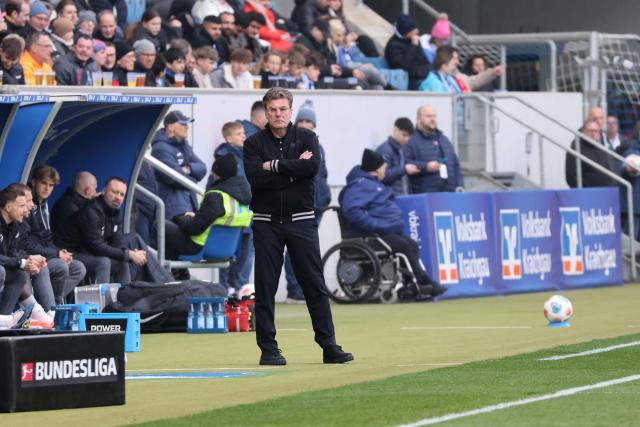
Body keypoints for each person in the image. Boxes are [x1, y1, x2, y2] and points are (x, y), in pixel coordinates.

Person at [244, 87, 353, 365]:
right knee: (266, 287)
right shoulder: (254, 143)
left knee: (314, 285)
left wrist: (275, 166)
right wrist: (292, 170)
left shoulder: (308, 137)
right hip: (266, 223)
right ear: (266, 113)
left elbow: (311, 170)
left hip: (302, 221)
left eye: (282, 109)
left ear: (290, 111)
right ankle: (268, 349)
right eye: (273, 110)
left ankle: (329, 346)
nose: (278, 114)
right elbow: (257, 179)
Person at [339, 149, 447, 297]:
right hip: (371, 235)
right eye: (384, 167)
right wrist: (374, 224)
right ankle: (422, 282)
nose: (386, 170)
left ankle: (411, 284)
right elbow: (352, 210)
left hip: (384, 231)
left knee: (411, 244)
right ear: (377, 170)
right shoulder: (359, 186)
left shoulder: (371, 183)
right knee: (403, 246)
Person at [76, 177, 172, 284]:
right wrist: (129, 254)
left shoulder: (114, 212)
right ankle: (105, 299)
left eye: (122, 194)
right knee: (107, 261)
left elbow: (116, 243)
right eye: (115, 192)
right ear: (104, 191)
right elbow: (97, 247)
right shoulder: (92, 212)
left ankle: (127, 294)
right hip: (80, 254)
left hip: (97, 253)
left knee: (123, 259)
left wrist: (131, 254)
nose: (118, 197)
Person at [282, 100, 330, 302]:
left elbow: (322, 175)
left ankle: (306, 287)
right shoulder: (290, 144)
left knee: (308, 250)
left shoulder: (319, 146)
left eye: (307, 121)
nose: (303, 124)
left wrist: (324, 197)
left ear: (314, 124)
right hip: (299, 204)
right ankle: (294, 288)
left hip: (317, 203)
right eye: (300, 120)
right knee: (295, 248)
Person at [165, 153, 252, 260]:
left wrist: (181, 218)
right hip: (229, 249)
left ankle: (168, 271)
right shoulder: (246, 196)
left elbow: (194, 228)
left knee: (161, 224)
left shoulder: (216, 196)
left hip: (200, 247)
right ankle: (178, 271)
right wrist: (196, 216)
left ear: (218, 175)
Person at [22, 166, 86, 305]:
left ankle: (48, 300)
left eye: (51, 185)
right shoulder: (26, 203)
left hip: (45, 255)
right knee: (61, 266)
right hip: (30, 257)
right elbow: (26, 243)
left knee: (78, 268)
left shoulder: (43, 204)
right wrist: (56, 254)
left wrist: (60, 252)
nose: (47, 188)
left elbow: (47, 237)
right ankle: (53, 307)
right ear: (34, 182)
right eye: (44, 183)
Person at [0, 186, 53, 328]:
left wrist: (29, 262)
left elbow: (12, 254)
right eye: (22, 205)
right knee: (1, 271)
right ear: (9, 207)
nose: (26, 210)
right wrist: (22, 262)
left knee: (19, 275)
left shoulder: (14, 226)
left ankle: (4, 321)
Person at [51, 171, 111, 283]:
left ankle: (125, 294)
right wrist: (98, 204)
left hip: (77, 251)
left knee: (119, 258)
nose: (96, 192)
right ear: (88, 190)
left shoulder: (75, 201)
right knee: (103, 262)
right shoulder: (69, 206)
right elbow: (89, 236)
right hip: (68, 253)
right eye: (95, 189)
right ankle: (104, 300)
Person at [152, 111, 207, 219]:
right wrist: (192, 178)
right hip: (173, 210)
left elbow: (202, 168)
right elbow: (175, 178)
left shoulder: (184, 146)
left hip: (190, 204)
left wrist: (188, 169)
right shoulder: (160, 148)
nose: (187, 127)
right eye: (183, 124)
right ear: (170, 127)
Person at [404, 105, 464, 193]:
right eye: (428, 116)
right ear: (418, 119)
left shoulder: (444, 139)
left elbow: (455, 164)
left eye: (434, 116)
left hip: (449, 194)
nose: (432, 119)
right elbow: (405, 163)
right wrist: (426, 166)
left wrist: (459, 185)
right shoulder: (412, 141)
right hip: (426, 195)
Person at [565, 119, 617, 188]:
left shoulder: (602, 149)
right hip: (586, 193)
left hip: (605, 191)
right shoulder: (576, 147)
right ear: (583, 132)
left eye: (596, 131)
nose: (593, 133)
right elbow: (571, 177)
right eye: (590, 131)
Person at [384, 14, 431, 91]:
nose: (417, 31)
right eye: (413, 29)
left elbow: (424, 60)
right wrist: (413, 46)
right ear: (406, 32)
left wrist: (428, 70)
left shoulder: (414, 40)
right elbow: (404, 66)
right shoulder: (393, 46)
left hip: (422, 75)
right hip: (408, 80)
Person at [376, 117, 419, 195]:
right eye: (404, 135)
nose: (406, 139)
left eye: (409, 136)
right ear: (395, 130)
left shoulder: (402, 149)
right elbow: (382, 176)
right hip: (391, 198)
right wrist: (404, 169)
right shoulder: (385, 150)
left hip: (402, 196)